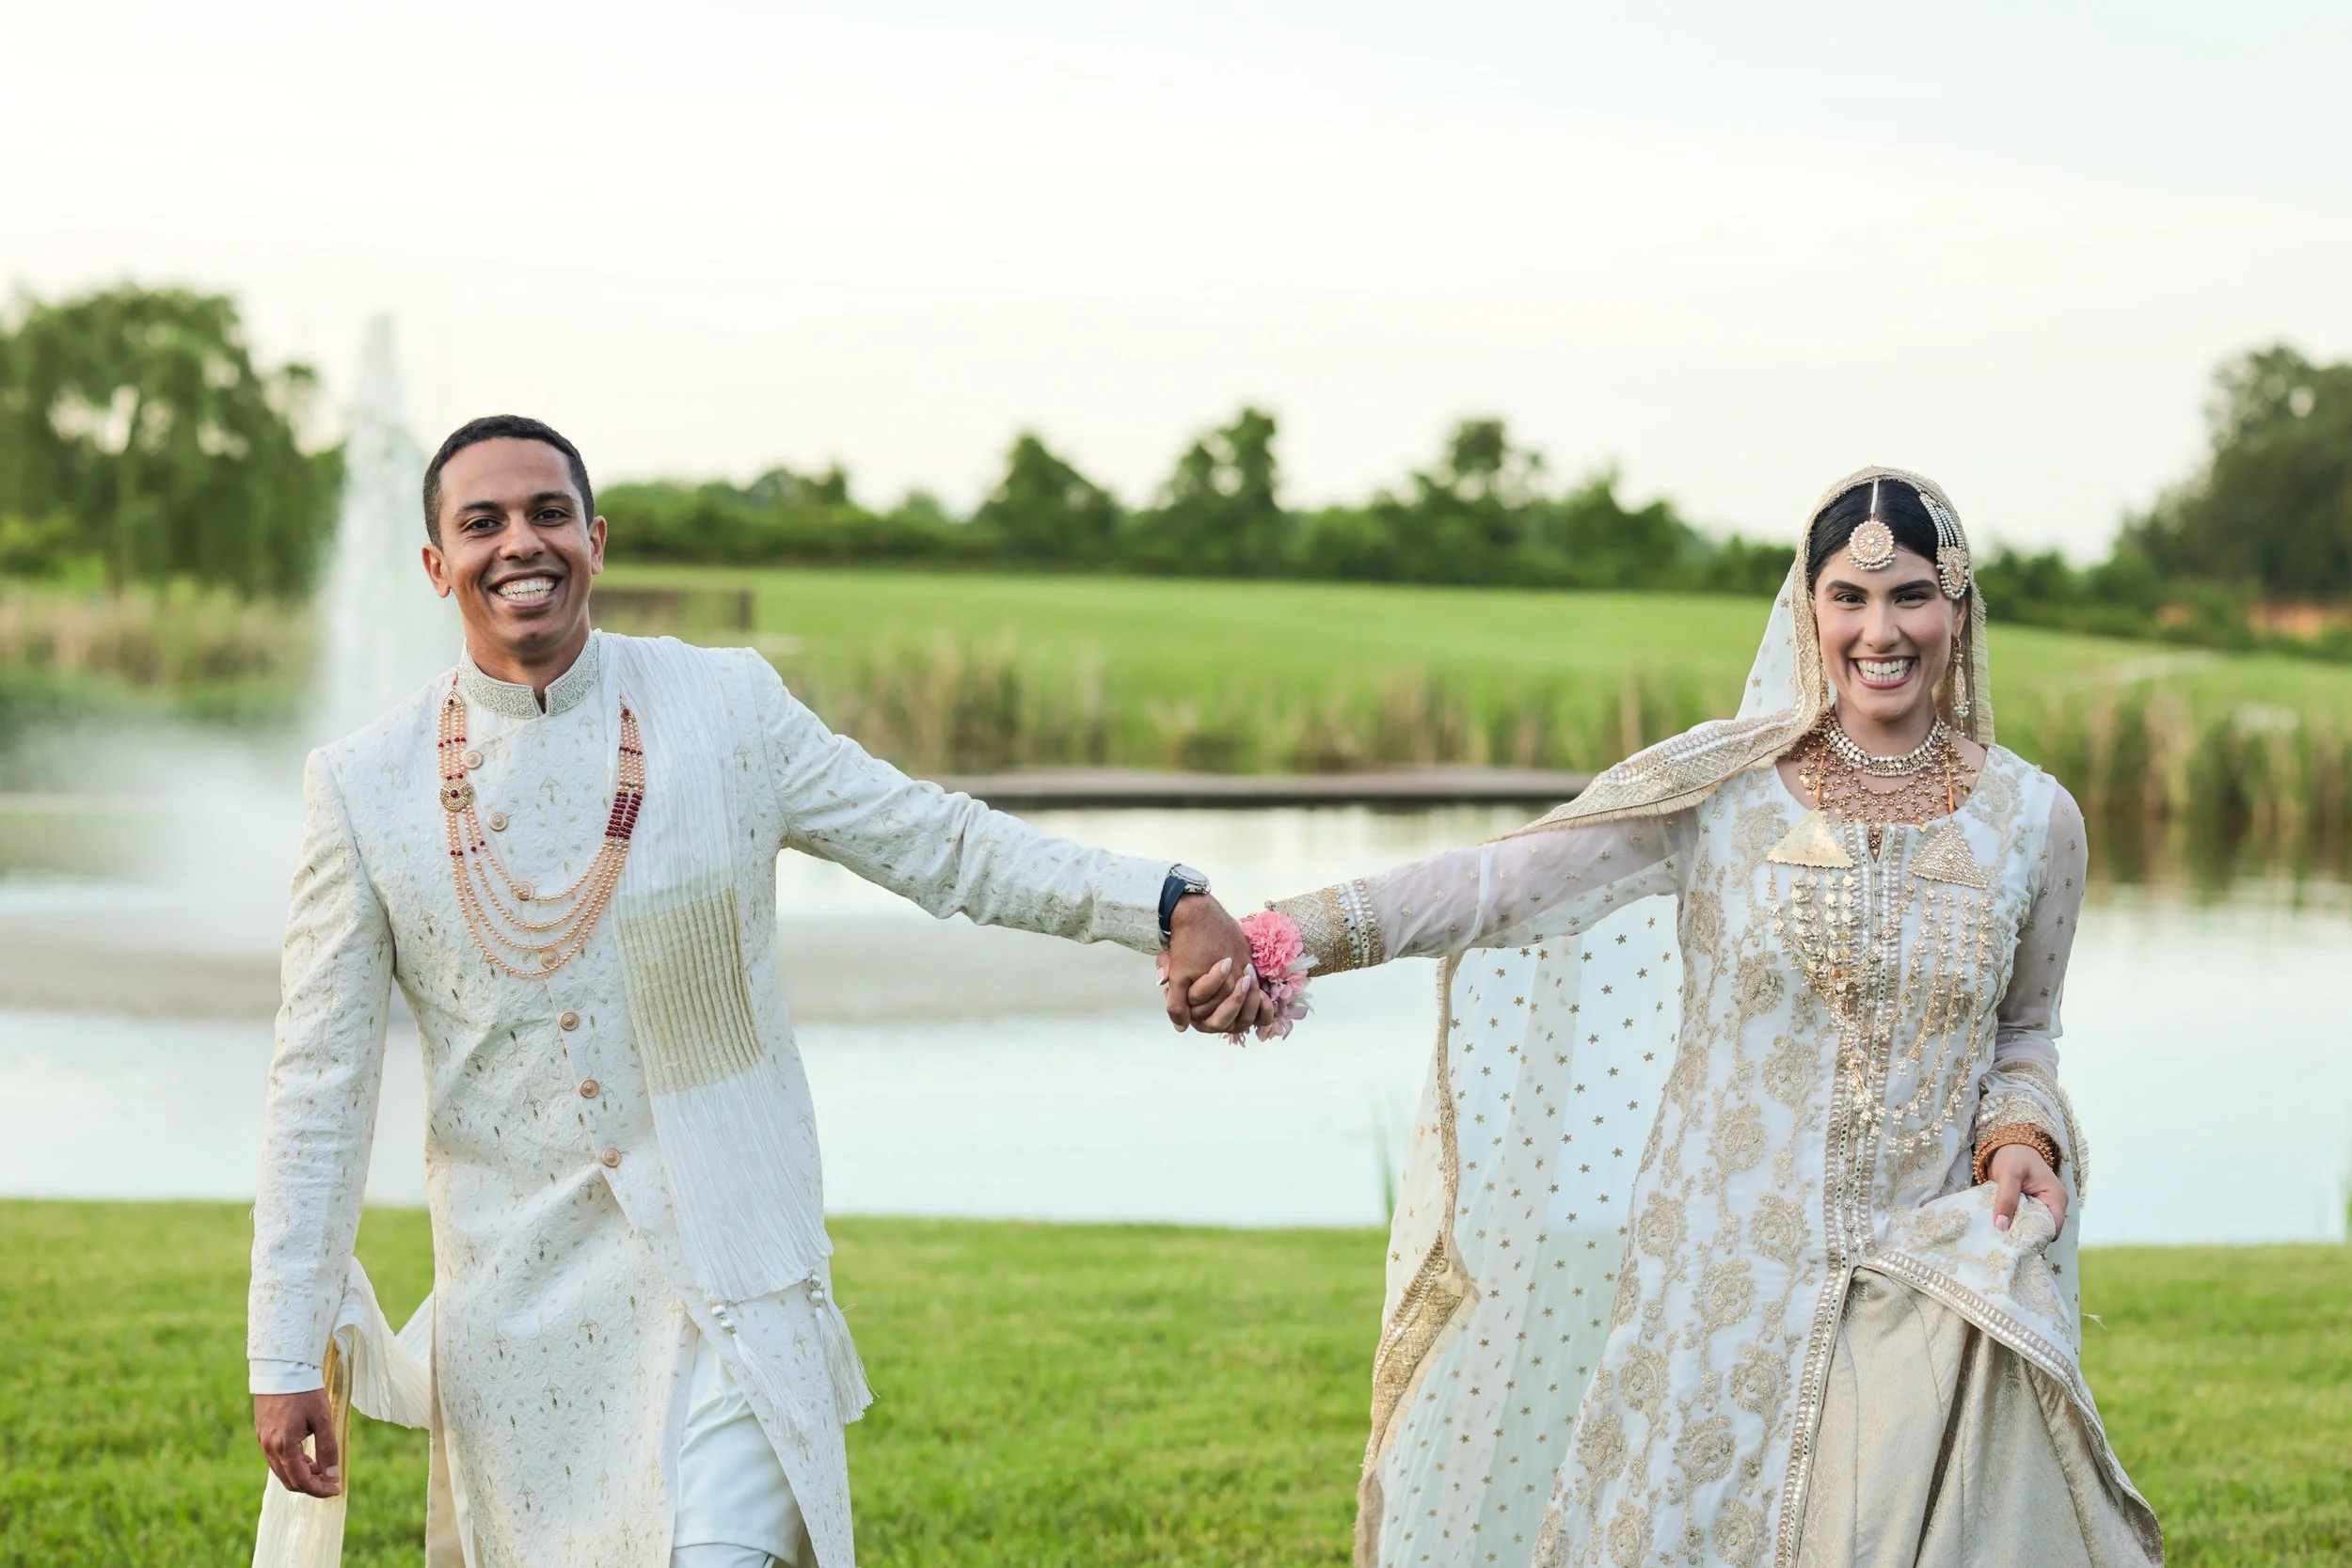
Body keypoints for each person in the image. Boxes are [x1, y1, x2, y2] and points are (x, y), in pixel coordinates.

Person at [247, 413, 1272, 1568]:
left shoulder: (725, 707)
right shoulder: (364, 785)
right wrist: (284, 1349)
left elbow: (938, 842)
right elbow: (318, 1086)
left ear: (596, 537)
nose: (518, 543)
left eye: (547, 513)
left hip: (728, 1280)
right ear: (437, 565)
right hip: (519, 1318)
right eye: (480, 522)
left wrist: (1162, 896)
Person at [1236, 469, 2162, 1567]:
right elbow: (1497, 886)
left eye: (1911, 594)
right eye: (1848, 597)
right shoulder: (1727, 790)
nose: (1881, 630)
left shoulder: (2033, 819)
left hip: (1925, 1281)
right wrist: (1284, 938)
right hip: (1719, 1289)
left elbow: (2025, 1032)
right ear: (1806, 608)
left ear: (1959, 607)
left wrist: (2021, 1132)